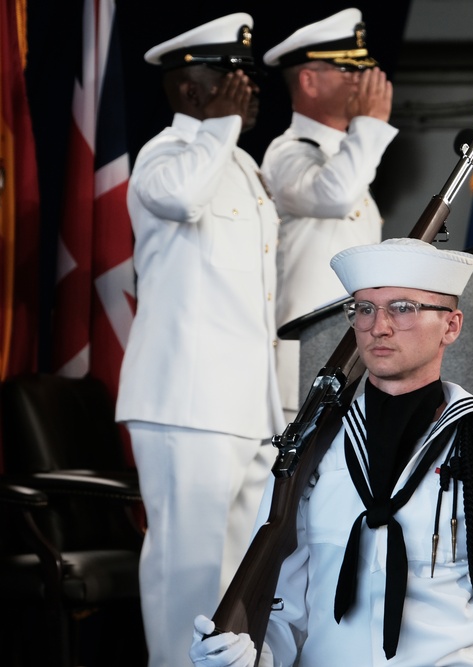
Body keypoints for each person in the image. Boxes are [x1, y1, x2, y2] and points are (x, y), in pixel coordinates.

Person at [189, 238, 473, 666]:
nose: (378, 326)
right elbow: (283, 611)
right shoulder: (312, 462)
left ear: (451, 326)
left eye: (403, 308)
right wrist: (249, 656)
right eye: (364, 309)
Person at [115, 14, 283, 667]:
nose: (248, 88)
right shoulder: (167, 156)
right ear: (191, 90)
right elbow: (182, 199)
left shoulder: (238, 162)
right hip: (186, 403)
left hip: (244, 407)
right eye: (230, 77)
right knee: (185, 579)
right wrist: (219, 129)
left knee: (239, 582)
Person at [261, 8, 397, 423]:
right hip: (300, 369)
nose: (360, 80)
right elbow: (334, 194)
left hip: (351, 363)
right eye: (347, 69)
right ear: (308, 80)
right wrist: (371, 126)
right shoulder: (288, 153)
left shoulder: (348, 160)